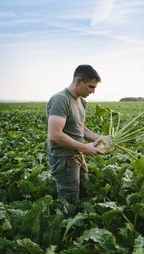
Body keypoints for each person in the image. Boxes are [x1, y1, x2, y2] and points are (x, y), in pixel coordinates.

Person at [46, 64, 114, 205]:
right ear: (79, 82)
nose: (93, 91)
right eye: (91, 87)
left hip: (77, 155)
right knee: (69, 200)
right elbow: (55, 135)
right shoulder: (61, 99)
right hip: (63, 158)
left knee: (85, 191)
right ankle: (67, 226)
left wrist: (101, 139)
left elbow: (81, 129)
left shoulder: (81, 101)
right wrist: (84, 147)